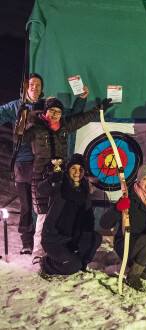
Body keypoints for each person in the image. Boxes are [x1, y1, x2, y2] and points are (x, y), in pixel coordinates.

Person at [0, 73, 89, 255]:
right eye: (31, 84)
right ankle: (27, 241)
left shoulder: (45, 105)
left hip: (44, 161)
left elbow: (70, 116)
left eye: (38, 84)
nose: (35, 87)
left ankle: (48, 239)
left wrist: (81, 100)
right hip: (24, 161)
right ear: (25, 87)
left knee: (49, 203)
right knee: (26, 204)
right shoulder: (16, 106)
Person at [21, 96, 111, 255]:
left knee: (60, 213)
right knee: (42, 215)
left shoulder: (63, 126)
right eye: (52, 110)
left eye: (58, 111)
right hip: (41, 176)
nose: (55, 114)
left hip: (61, 177)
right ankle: (38, 252)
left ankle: (56, 251)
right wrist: (20, 123)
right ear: (45, 111)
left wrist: (99, 109)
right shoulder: (35, 127)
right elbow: (20, 137)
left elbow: (81, 119)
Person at [34, 153, 102, 277]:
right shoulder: (60, 184)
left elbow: (88, 215)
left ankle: (82, 264)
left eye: (81, 169)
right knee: (72, 266)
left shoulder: (84, 189)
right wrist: (51, 180)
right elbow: (40, 190)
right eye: (74, 168)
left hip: (71, 237)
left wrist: (86, 236)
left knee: (95, 238)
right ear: (68, 169)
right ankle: (46, 263)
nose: (77, 172)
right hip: (53, 238)